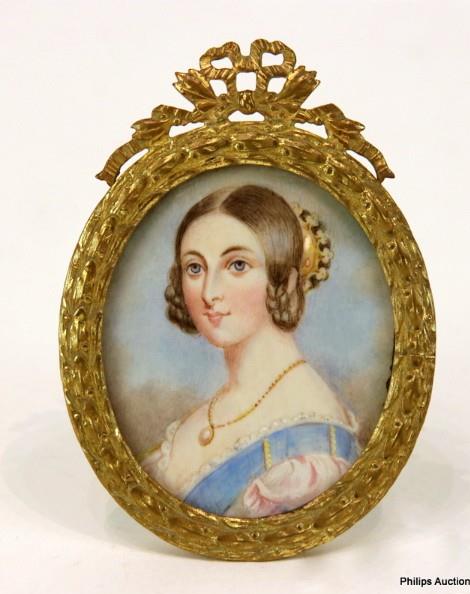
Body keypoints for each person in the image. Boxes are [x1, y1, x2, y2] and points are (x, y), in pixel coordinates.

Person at [140, 185, 359, 517]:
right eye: (195, 268)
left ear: (284, 280)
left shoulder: (309, 445)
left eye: (237, 265)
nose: (209, 293)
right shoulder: (216, 406)